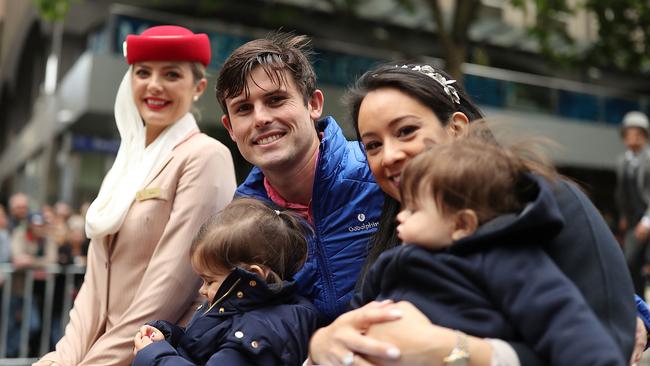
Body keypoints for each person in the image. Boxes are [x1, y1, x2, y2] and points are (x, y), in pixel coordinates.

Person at [309, 64, 637, 365]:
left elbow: (602, 348)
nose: (390, 155)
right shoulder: (394, 241)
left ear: (457, 129)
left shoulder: (546, 202)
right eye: (373, 145)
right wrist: (323, 345)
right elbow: (352, 327)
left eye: (406, 131)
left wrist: (454, 350)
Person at [34, 25, 237, 366]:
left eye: (171, 74)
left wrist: (95, 363)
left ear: (198, 87)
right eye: (143, 72)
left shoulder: (205, 157)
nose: (155, 85)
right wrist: (65, 356)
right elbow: (94, 283)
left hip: (155, 353)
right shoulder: (127, 164)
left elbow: (172, 285)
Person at [353, 132, 626, 365]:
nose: (400, 216)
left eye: (414, 210)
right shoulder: (392, 259)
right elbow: (358, 312)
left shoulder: (507, 261)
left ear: (461, 223)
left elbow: (565, 323)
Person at [215, 33, 384, 322]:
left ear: (313, 105)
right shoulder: (238, 222)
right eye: (244, 108)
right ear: (230, 128)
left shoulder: (381, 171)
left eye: (276, 100)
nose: (260, 118)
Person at [132, 198, 321, 365]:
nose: (202, 290)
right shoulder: (234, 307)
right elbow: (203, 346)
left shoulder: (260, 331)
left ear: (254, 274)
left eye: (209, 281)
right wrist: (168, 338)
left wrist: (154, 357)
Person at [616, 111, 650, 299]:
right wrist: (623, 216)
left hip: (647, 217)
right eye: (629, 134)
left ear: (645, 137)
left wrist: (647, 221)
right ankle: (639, 309)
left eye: (637, 134)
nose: (633, 139)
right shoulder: (622, 161)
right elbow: (622, 193)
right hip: (632, 221)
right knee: (629, 265)